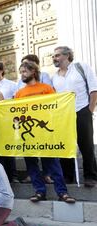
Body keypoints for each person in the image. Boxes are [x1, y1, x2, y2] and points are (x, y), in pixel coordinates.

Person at [15, 61, 76, 203]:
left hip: (45, 133)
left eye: (24, 71)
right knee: (31, 164)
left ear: (33, 72)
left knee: (52, 163)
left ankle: (62, 192)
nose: (22, 75)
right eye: (21, 72)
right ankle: (39, 192)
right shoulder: (19, 93)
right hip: (28, 134)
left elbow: (55, 108)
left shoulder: (46, 88)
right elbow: (16, 114)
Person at [52, 46, 97, 187]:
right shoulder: (54, 77)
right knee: (65, 146)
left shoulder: (81, 67)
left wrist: (89, 110)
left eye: (57, 55)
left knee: (86, 145)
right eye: (53, 56)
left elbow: (94, 89)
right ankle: (68, 176)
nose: (54, 58)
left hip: (82, 110)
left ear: (67, 56)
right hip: (63, 116)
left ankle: (90, 176)